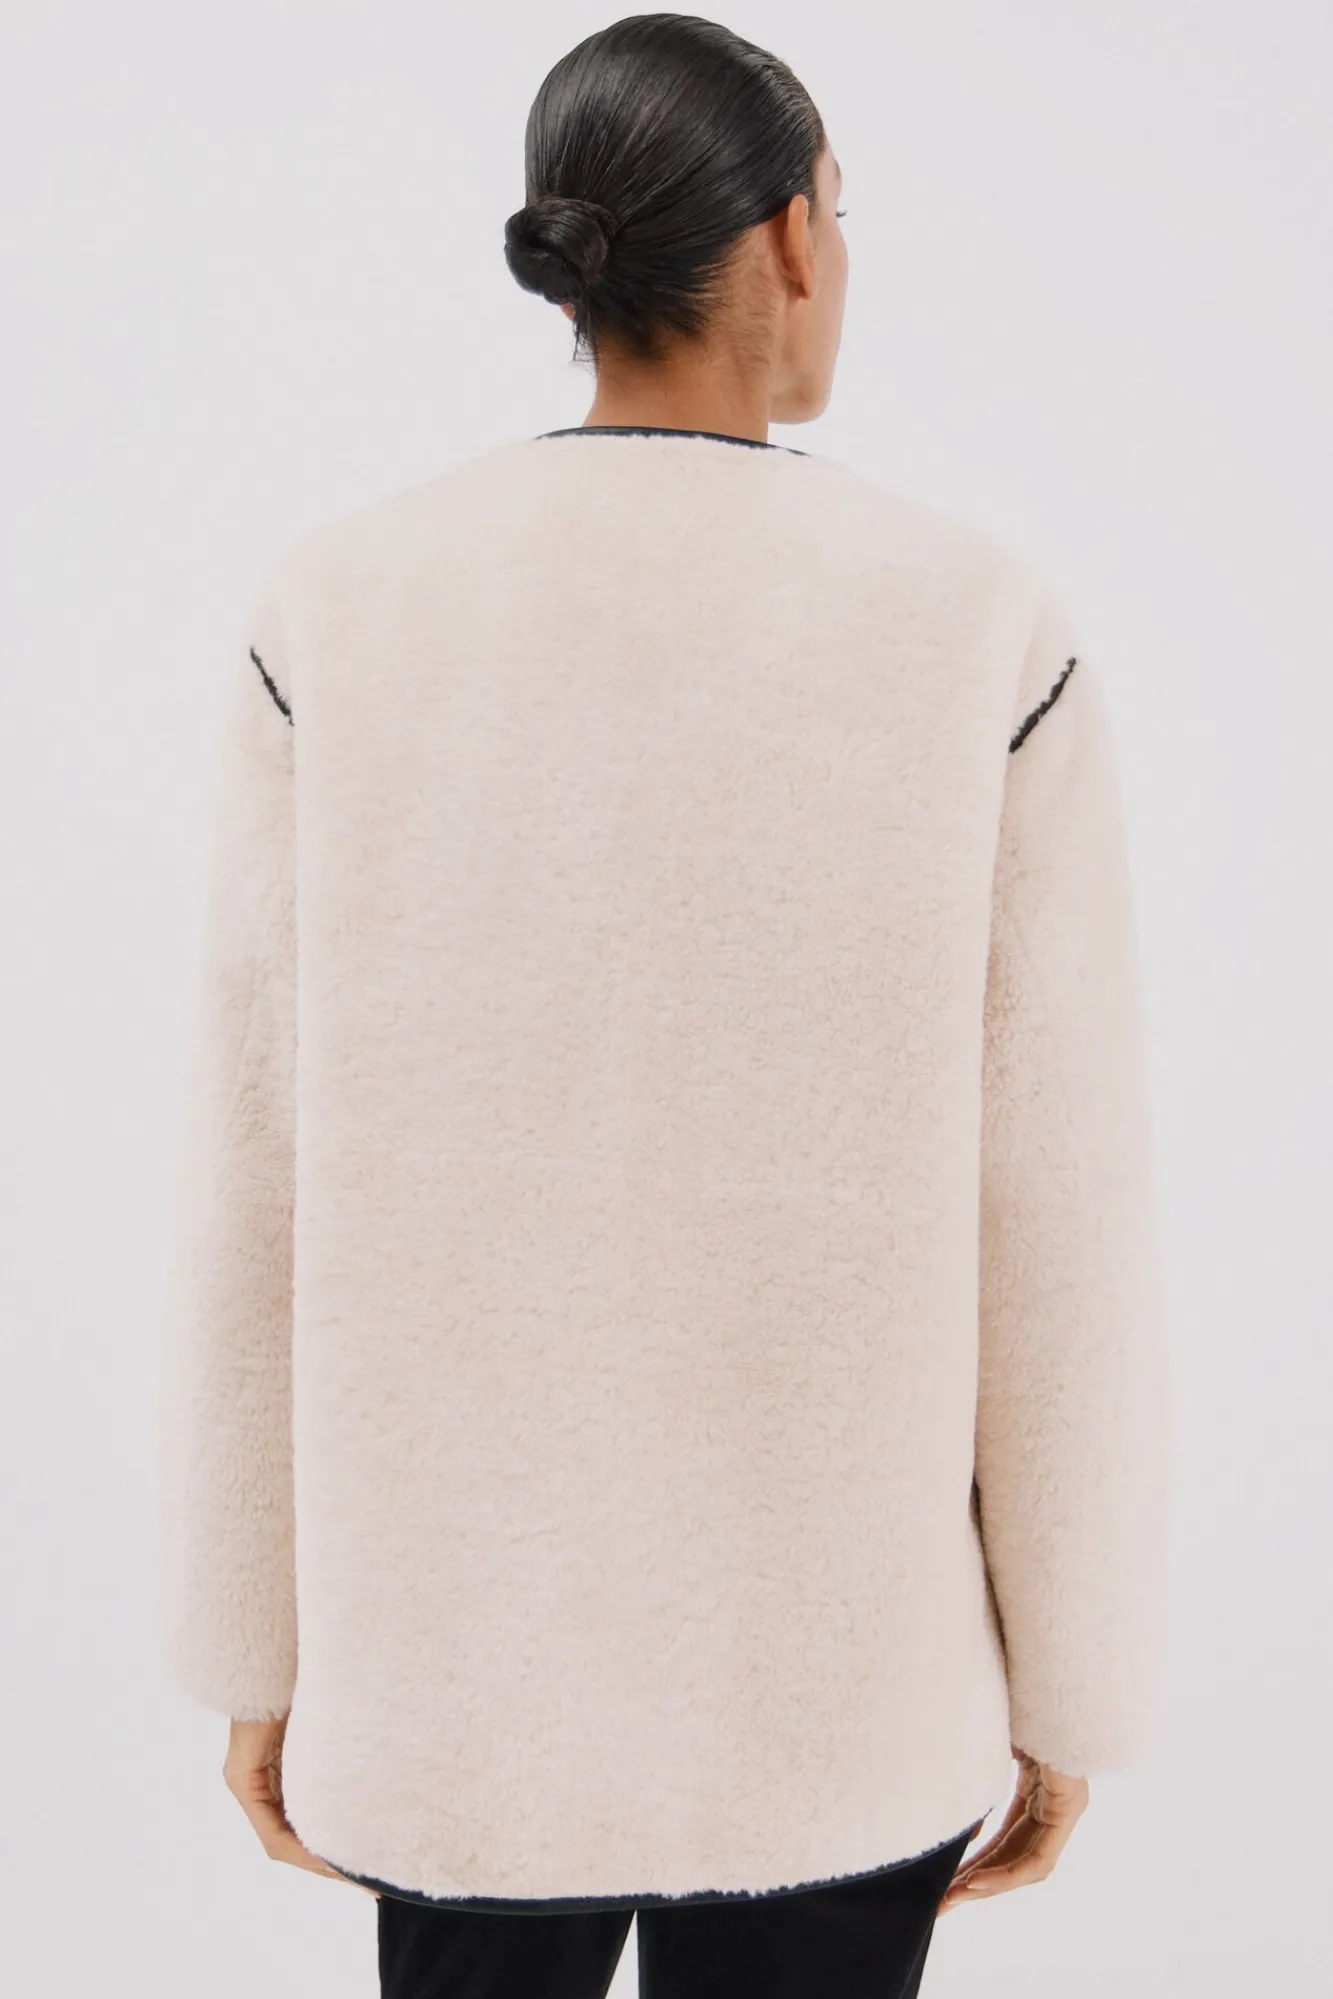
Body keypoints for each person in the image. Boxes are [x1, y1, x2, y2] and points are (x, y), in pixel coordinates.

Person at [156, 14, 1171, 1998]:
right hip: (843, 1689)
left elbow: (252, 1171)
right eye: (841, 215)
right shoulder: (975, 627)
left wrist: (255, 1644)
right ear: (790, 237)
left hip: (458, 1676)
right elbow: (1058, 1215)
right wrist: (1073, 1679)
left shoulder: (340, 611)